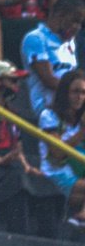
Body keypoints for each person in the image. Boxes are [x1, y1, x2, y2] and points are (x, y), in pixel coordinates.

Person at [0, 61, 63, 236]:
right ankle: (20, 237)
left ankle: (48, 240)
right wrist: (0, 161)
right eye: (12, 81)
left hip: (9, 167)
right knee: (18, 183)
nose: (17, 86)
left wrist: (28, 168)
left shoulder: (13, 115)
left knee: (50, 186)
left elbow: (18, 150)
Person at [22, 0, 84, 117]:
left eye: (80, 23)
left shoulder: (71, 43)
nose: (77, 27)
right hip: (46, 107)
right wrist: (78, 91)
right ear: (59, 15)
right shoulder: (36, 38)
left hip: (70, 105)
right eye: (74, 21)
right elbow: (48, 80)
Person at [37, 70, 85, 225]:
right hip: (56, 173)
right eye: (75, 92)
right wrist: (82, 132)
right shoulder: (49, 116)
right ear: (65, 92)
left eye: (83, 93)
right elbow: (56, 153)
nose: (80, 97)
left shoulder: (80, 119)